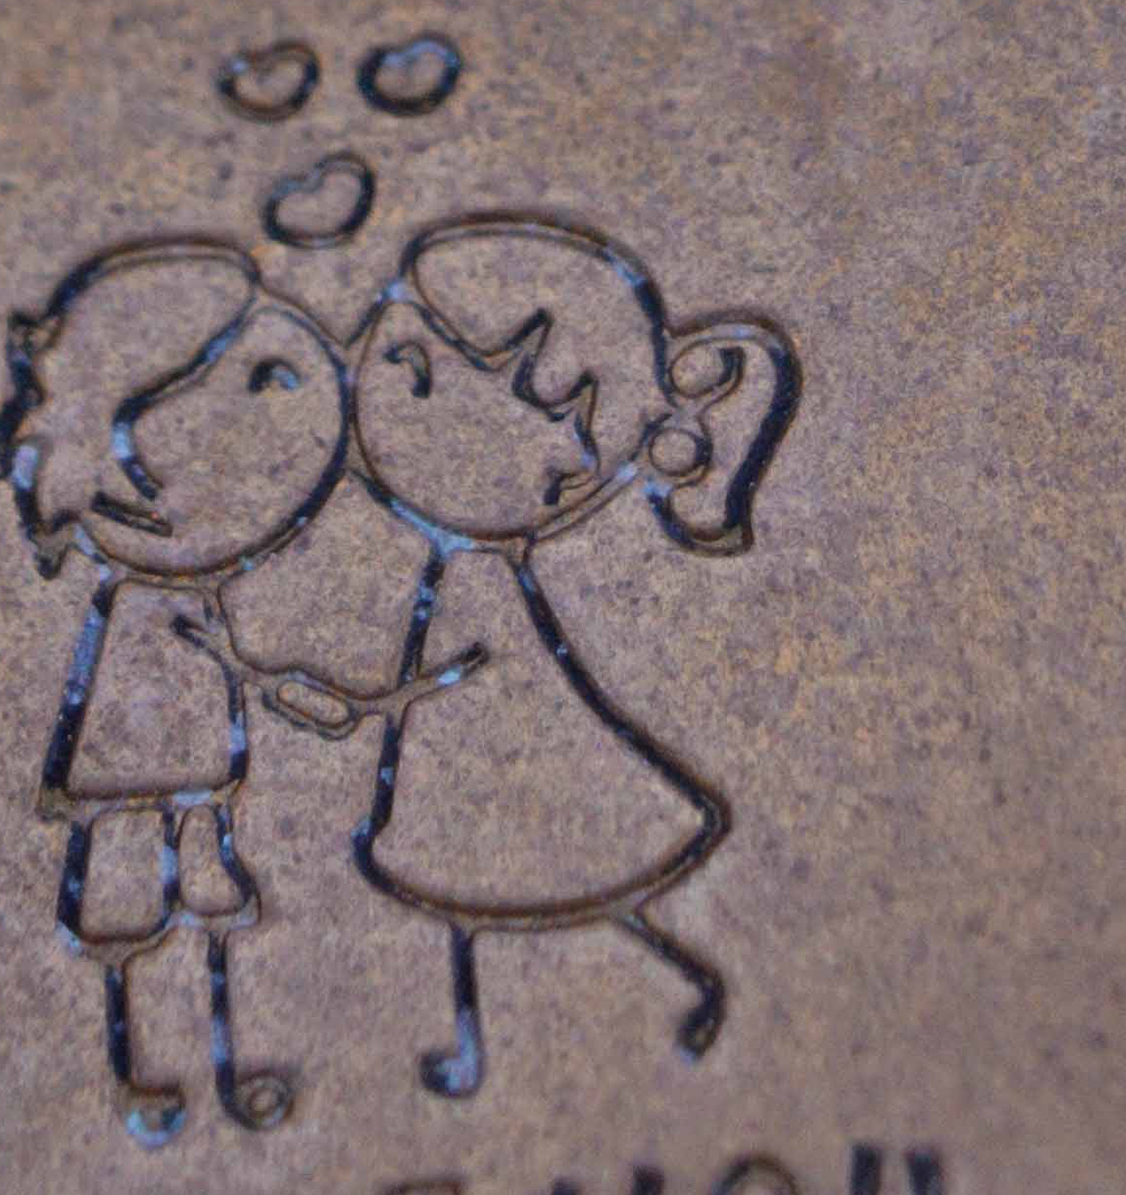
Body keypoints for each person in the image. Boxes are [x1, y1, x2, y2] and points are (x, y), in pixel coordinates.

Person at [339, 213, 799, 1098]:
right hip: (471, 750)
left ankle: (679, 984)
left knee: (546, 879)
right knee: (483, 894)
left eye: (419, 379)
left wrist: (382, 700)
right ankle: (476, 1045)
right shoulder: (457, 564)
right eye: (398, 364)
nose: (372, 397)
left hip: (498, 736)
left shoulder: (474, 579)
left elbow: (465, 664)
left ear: (566, 471)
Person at [0, 237, 357, 1137]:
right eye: (257, 383)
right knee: (128, 914)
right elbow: (186, 659)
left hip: (194, 761)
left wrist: (275, 677)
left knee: (208, 908)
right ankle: (142, 1067)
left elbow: (223, 656)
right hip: (127, 768)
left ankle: (218, 1069)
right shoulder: (138, 599)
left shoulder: (189, 594)